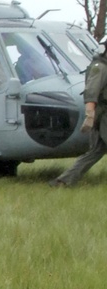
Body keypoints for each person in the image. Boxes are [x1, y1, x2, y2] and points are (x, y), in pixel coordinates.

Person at [50, 42, 107, 187]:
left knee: (95, 151)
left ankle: (63, 181)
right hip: (104, 115)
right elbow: (91, 92)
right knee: (95, 151)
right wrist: (90, 115)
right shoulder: (99, 68)